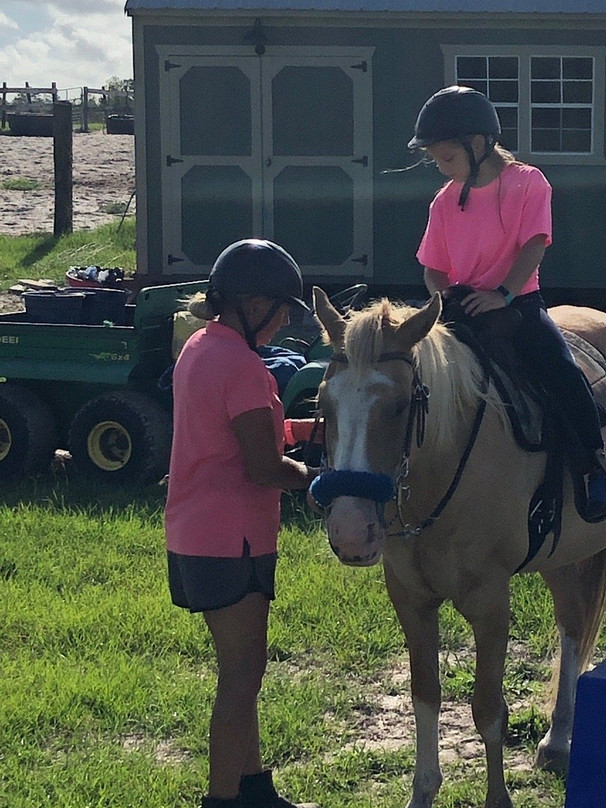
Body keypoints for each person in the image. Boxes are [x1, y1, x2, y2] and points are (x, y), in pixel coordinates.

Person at [410, 85, 606, 523]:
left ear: (478, 145)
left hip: (518, 305)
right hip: (461, 310)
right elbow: (432, 267)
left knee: (563, 372)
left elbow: (534, 245)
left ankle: (594, 468)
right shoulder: (443, 202)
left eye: (447, 158)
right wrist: (443, 296)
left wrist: (504, 294)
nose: (441, 169)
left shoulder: (528, 183)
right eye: (435, 160)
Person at [165, 238, 320, 808]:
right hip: (233, 538)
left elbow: (243, 434)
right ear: (253, 304)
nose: (284, 322)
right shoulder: (243, 364)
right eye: (281, 310)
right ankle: (223, 800)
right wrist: (318, 481)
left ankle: (253, 789)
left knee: (242, 671)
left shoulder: (202, 347)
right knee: (240, 677)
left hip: (196, 531)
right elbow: (263, 466)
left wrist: (305, 431)